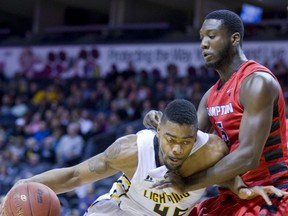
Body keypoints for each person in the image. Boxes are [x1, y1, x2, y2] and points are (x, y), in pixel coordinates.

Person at [1, 99, 284, 216]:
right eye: (171, 140)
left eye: (185, 142)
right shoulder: (131, 151)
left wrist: (243, 189)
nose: (176, 149)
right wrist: (25, 182)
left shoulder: (212, 150)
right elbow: (75, 175)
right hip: (119, 211)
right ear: (158, 130)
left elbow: (225, 173)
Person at [144, 10, 288, 216]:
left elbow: (248, 157)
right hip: (233, 196)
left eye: (211, 36)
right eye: (201, 37)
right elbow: (187, 147)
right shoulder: (210, 96)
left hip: (272, 194)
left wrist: (187, 183)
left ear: (234, 39)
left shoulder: (257, 82)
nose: (203, 43)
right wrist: (161, 127)